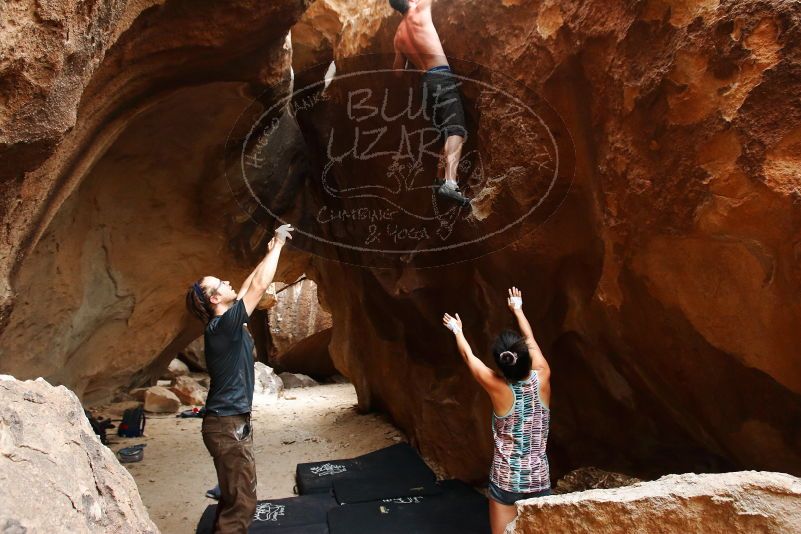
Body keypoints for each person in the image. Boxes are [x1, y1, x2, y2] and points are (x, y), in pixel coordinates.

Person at [185, 223, 294, 533]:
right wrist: (281, 247)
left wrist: (270, 250)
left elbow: (247, 287)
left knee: (234, 495)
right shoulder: (224, 327)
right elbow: (258, 286)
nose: (227, 280)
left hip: (226, 424)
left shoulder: (227, 321)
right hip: (226, 427)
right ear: (214, 299)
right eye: (220, 282)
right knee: (242, 504)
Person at [442, 287, 551, 534]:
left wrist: (457, 330)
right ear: (526, 358)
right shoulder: (543, 376)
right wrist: (518, 309)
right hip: (538, 479)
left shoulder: (496, 386)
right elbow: (531, 340)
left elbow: (468, 357)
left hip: (506, 480)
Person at [390, 0, 471, 207]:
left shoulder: (398, 36)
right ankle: (450, 183)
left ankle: (438, 180)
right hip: (441, 76)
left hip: (425, 84)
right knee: (456, 130)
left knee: (443, 133)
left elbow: (397, 73)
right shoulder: (420, 9)